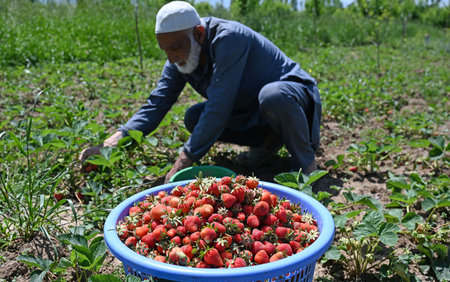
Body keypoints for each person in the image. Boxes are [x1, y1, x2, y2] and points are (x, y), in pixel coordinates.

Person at [79, 1, 321, 183]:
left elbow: (219, 106)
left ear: (198, 33)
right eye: (165, 51)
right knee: (194, 117)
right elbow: (156, 104)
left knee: (273, 95)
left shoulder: (229, 39)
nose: (172, 57)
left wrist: (183, 161)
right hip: (256, 111)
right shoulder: (179, 58)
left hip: (294, 100)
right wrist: (111, 144)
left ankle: (306, 165)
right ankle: (267, 147)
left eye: (175, 48)